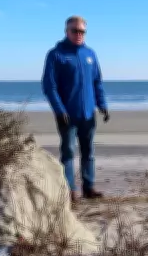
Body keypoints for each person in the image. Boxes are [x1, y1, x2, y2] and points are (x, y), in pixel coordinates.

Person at [41, 15, 109, 202]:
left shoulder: (90, 54)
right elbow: (49, 86)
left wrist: (102, 104)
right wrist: (59, 110)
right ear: (66, 31)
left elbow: (97, 82)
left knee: (89, 151)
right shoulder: (56, 54)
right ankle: (70, 189)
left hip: (88, 114)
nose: (78, 34)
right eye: (75, 31)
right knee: (68, 152)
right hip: (67, 115)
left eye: (82, 31)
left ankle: (89, 186)